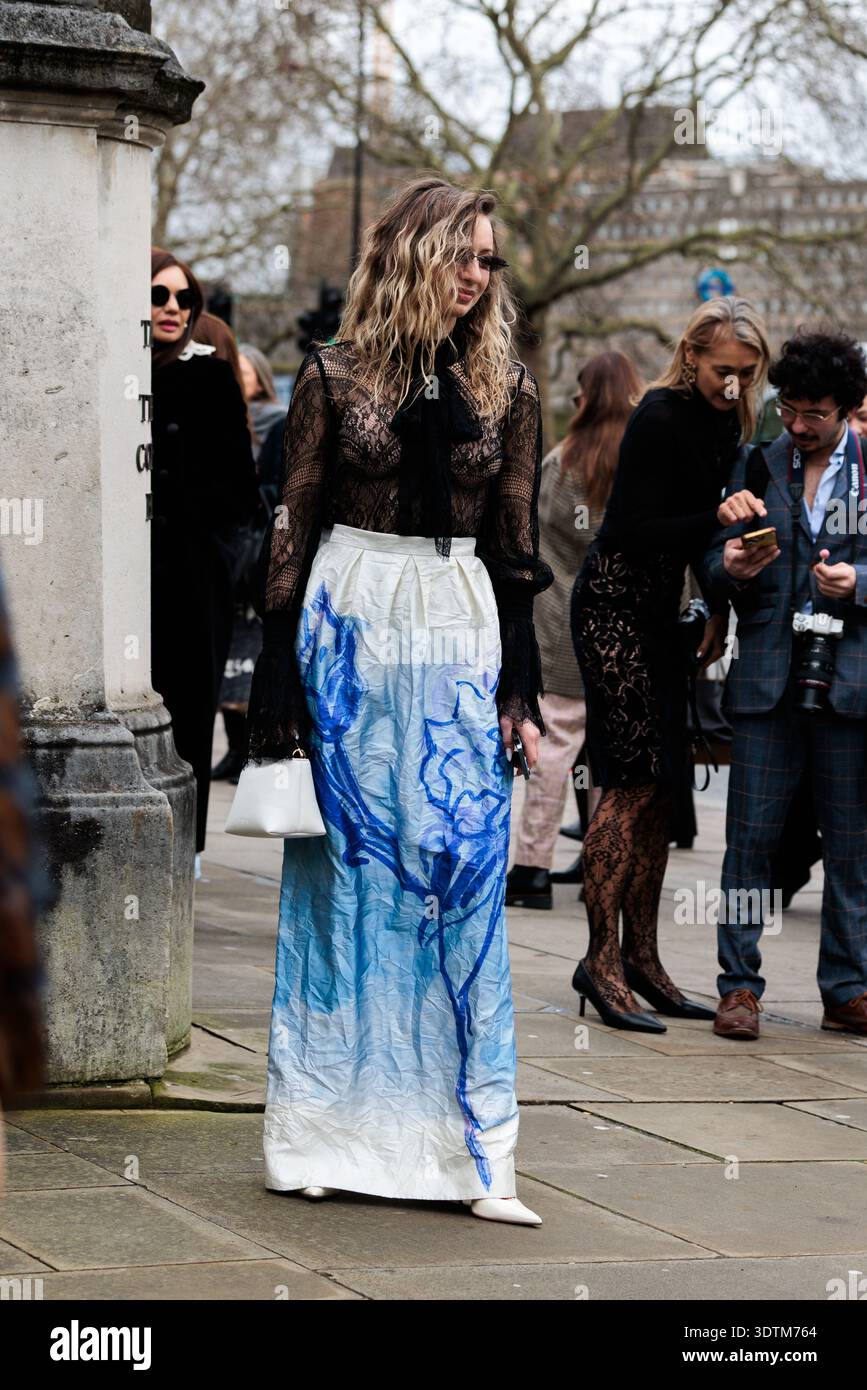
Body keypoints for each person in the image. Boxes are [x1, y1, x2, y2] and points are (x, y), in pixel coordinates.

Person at [244, 176, 554, 1225]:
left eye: (488, 260)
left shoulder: (510, 389)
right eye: (461, 255)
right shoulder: (331, 375)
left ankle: (471, 1153)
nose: (476, 276)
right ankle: (322, 1134)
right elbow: (292, 532)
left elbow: (516, 551)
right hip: (349, 633)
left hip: (457, 636)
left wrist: (520, 684)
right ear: (412, 255)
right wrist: (275, 689)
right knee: (341, 883)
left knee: (460, 880)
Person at [570, 296, 770, 1031]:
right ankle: (600, 962)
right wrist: (713, 519)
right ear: (690, 356)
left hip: (661, 616)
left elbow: (694, 545)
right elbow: (633, 527)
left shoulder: (728, 421)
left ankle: (643, 959)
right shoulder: (656, 416)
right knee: (625, 784)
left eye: (747, 375)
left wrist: (714, 607)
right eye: (723, 371)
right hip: (612, 609)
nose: (733, 386)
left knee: (660, 791)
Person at [700, 327, 867, 1040]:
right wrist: (728, 565)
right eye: (788, 409)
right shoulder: (756, 464)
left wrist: (856, 582)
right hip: (766, 679)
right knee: (748, 845)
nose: (797, 427)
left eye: (815, 415)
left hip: (850, 684)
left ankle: (847, 988)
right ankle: (737, 988)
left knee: (853, 852)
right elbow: (712, 562)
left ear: (849, 407)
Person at [506, 351, 642, 909]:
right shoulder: (638, 464)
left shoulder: (564, 463)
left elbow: (532, 535)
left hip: (561, 628)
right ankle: (603, 868)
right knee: (610, 755)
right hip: (622, 632)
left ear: (588, 397)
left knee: (553, 752)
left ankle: (531, 870)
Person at [149, 249, 258, 872]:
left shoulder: (211, 375)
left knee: (189, 701)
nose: (172, 309)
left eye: (184, 299)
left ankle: (184, 843)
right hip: (132, 568)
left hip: (193, 566)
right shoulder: (120, 369)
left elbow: (240, 488)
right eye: (160, 296)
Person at [211, 344, 287, 785]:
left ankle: (248, 746)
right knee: (229, 659)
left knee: (251, 654)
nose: (242, 380)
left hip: (257, 540)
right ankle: (233, 745)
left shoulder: (275, 421)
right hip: (231, 542)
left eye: (247, 372)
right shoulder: (226, 417)